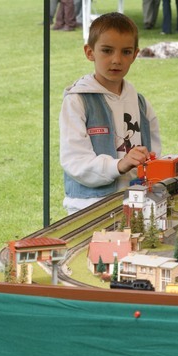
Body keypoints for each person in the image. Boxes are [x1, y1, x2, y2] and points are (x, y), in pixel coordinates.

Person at [59, 12, 162, 215]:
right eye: (107, 51)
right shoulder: (77, 100)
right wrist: (119, 165)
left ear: (135, 54)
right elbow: (75, 161)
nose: (116, 60)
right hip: (88, 208)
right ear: (90, 52)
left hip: (136, 204)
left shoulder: (140, 103)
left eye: (125, 52)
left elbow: (155, 154)